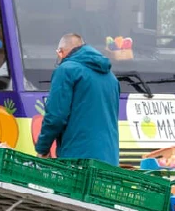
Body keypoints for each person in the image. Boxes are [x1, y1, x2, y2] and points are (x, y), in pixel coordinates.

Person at [33, 33, 120, 166]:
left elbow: (56, 116)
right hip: (110, 160)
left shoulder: (66, 70)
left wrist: (42, 149)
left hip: (78, 159)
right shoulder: (111, 78)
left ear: (60, 52)